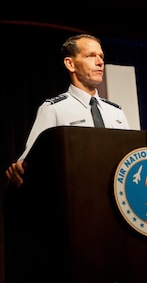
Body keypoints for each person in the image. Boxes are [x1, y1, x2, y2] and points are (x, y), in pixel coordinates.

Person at [6, 33, 130, 187]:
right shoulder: (54, 109)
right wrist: (21, 166)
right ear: (70, 64)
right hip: (76, 194)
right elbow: (30, 160)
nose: (100, 62)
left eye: (101, 56)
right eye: (91, 56)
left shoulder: (116, 112)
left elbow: (129, 158)